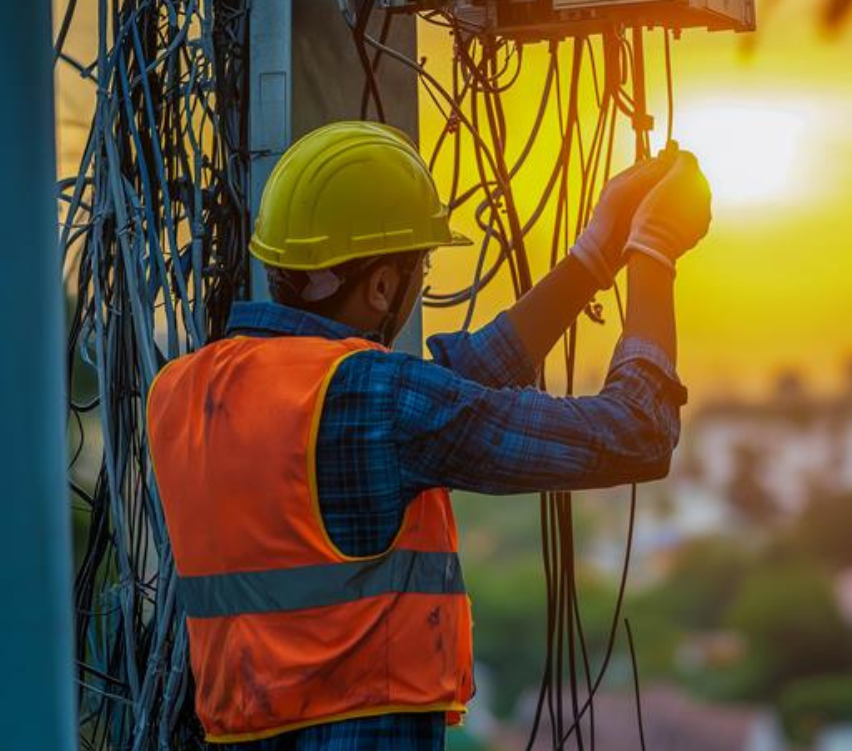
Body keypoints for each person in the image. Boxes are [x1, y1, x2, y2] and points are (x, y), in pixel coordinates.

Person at [145, 121, 712, 749]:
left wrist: (594, 256)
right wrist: (653, 254)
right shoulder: (380, 402)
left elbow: (446, 388)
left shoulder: (183, 391)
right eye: (421, 266)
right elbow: (638, 432)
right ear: (383, 285)